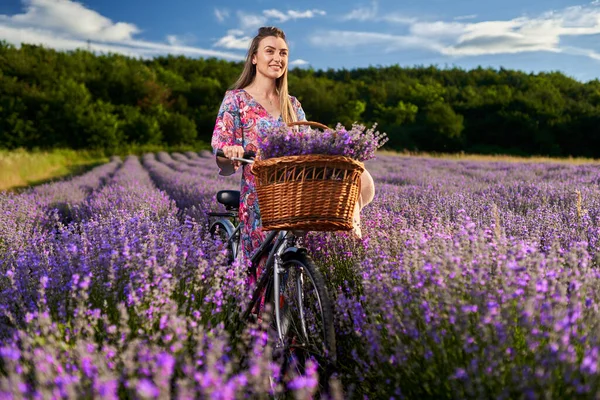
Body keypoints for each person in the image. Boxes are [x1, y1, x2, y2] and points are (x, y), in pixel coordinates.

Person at [211, 26, 374, 274]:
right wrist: (230, 152)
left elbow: (309, 149)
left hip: (294, 196)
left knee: (359, 172)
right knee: (264, 276)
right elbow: (222, 160)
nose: (278, 58)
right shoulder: (236, 100)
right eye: (270, 51)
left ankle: (352, 218)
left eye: (283, 53)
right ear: (254, 58)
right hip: (261, 199)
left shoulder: (292, 105)